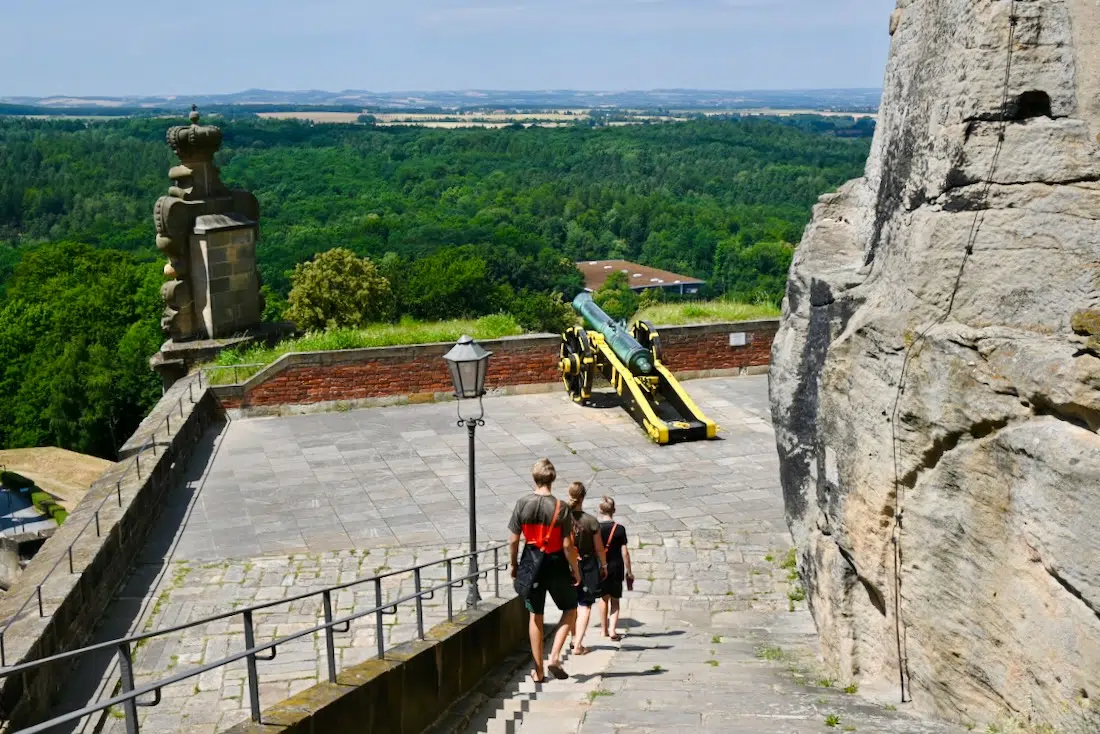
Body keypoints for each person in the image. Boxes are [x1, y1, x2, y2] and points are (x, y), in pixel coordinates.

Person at [508, 458, 582, 683]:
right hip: (556, 562)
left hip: (531, 562)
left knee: (535, 616)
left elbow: (513, 540)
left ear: (534, 477)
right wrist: (575, 570)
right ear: (553, 479)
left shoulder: (522, 503)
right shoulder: (561, 507)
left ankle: (538, 671)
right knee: (569, 609)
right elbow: (568, 545)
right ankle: (555, 655)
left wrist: (514, 565)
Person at [565, 481, 607, 656]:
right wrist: (604, 565)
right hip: (588, 565)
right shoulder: (591, 521)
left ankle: (573, 637)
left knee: (571, 605)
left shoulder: (563, 519)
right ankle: (578, 643)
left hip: (568, 564)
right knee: (585, 605)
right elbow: (599, 548)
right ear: (583, 497)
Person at [598, 496, 633, 642]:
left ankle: (604, 630)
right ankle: (613, 630)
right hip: (617, 567)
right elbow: (625, 552)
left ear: (600, 511)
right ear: (614, 510)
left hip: (602, 567)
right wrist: (629, 571)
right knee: (615, 600)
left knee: (603, 598)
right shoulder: (619, 529)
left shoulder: (597, 529)